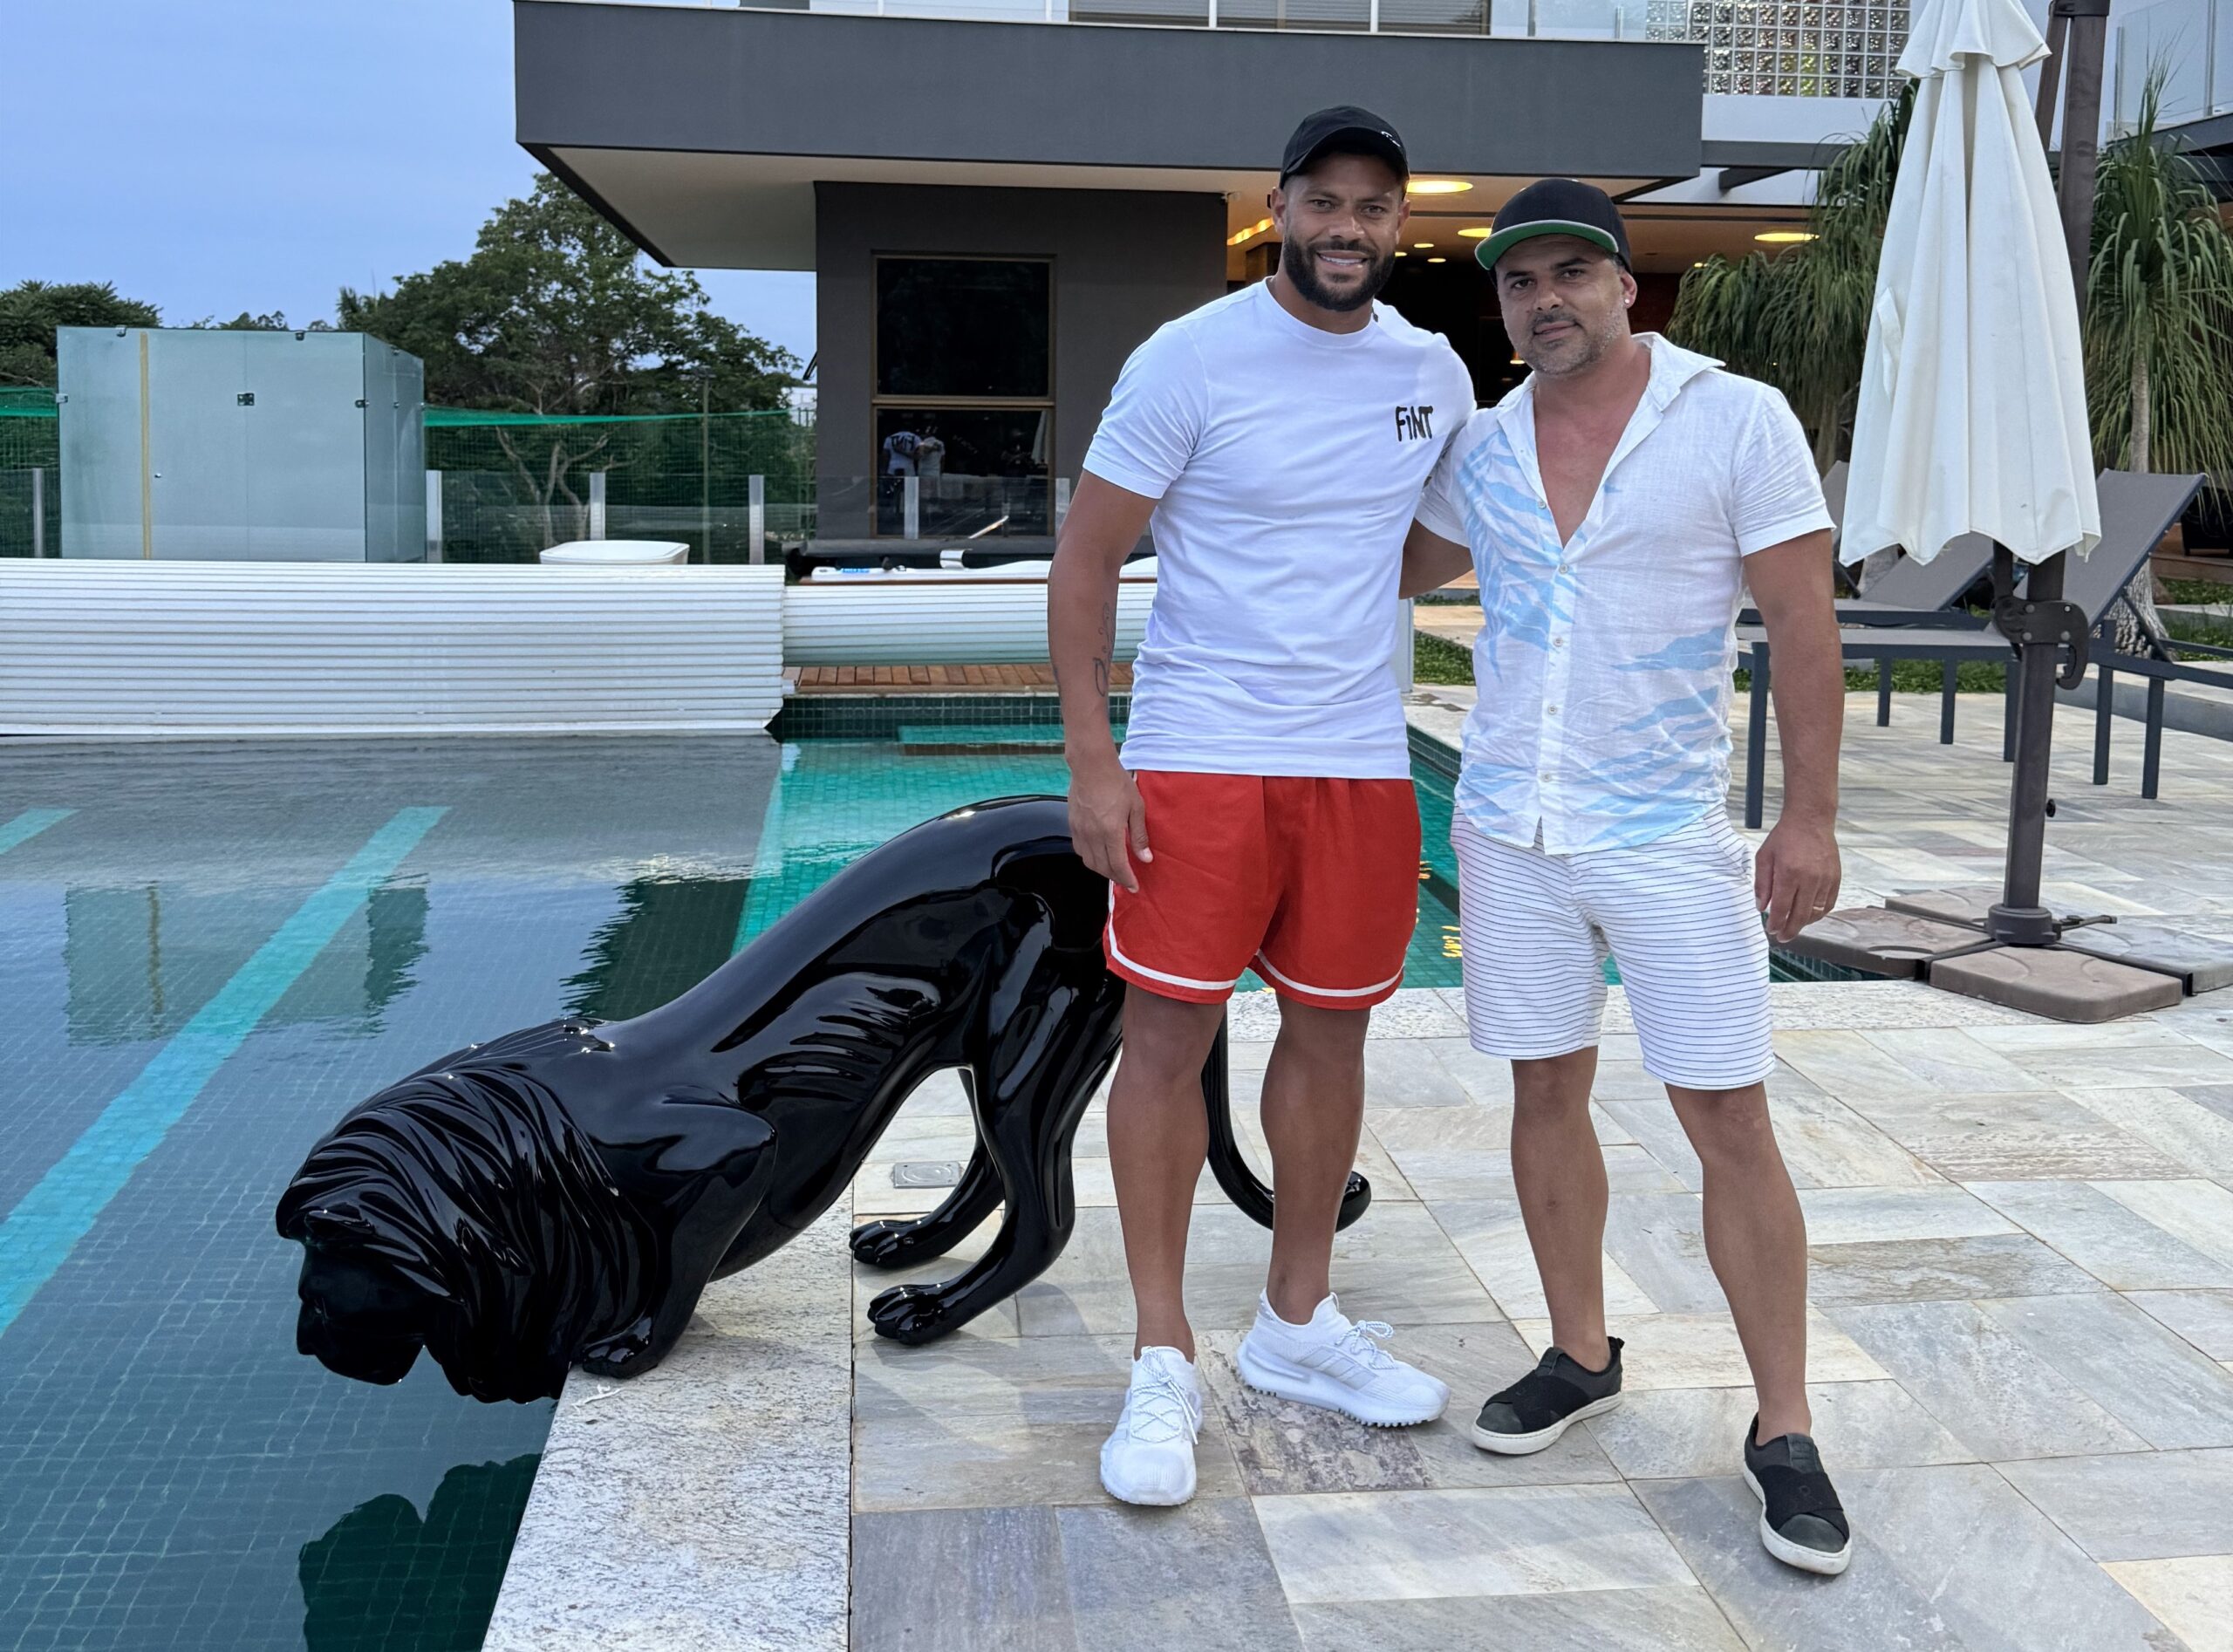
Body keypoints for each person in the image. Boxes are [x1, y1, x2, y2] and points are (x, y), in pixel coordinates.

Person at [1401, 178, 1855, 1575]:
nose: (1545, 300)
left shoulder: (1733, 418)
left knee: (1726, 1114)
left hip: (1665, 829)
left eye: (1569, 273)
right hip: (1509, 825)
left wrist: (1810, 820)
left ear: (1622, 282)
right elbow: (1390, 563)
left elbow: (1802, 625)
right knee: (1544, 1088)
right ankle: (1580, 1350)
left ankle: (1785, 1423)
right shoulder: (1482, 447)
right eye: (1518, 282)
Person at [1048, 106, 1475, 1508]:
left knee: (1333, 1034)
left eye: (1375, 205)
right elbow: (1088, 558)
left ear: (1400, 223)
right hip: (1201, 755)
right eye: (1325, 201)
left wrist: (1347, 587)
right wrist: (1096, 759)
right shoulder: (1191, 356)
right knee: (1165, 1040)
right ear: (1279, 209)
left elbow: (1425, 542)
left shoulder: (1434, 371)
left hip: (1357, 759)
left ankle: (1296, 1319)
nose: (1349, 227)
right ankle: (1161, 1352)